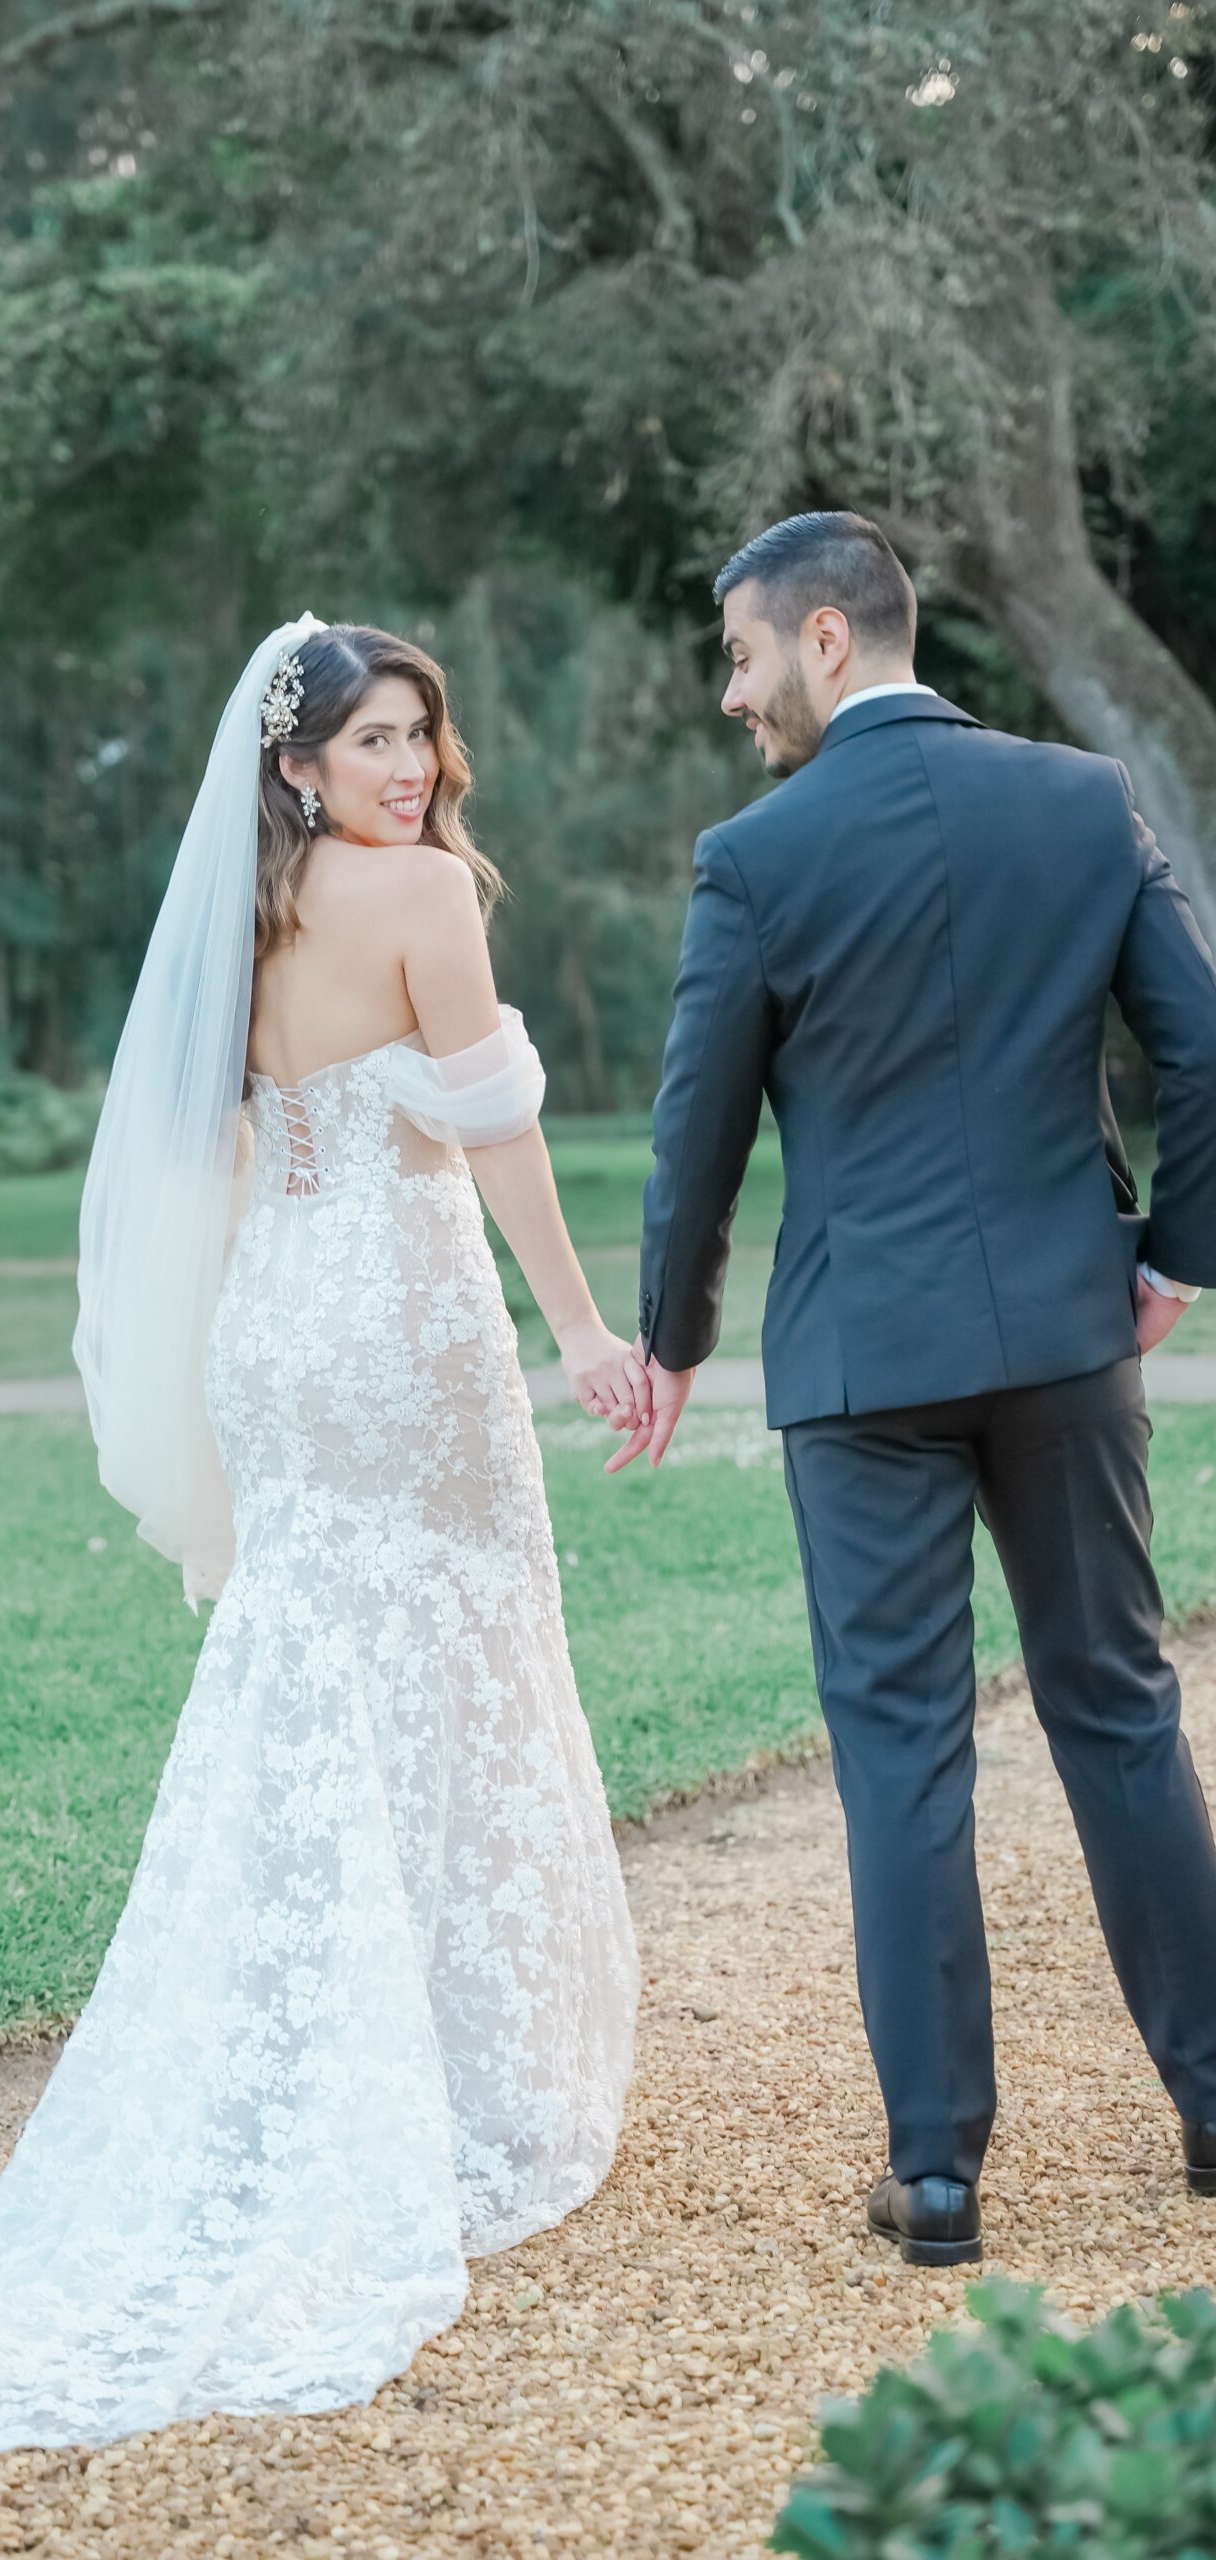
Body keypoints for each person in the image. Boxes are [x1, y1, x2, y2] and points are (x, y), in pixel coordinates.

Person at [0, 615, 641, 2455]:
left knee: (312, 1662)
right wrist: (579, 1330)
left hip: (278, 1327)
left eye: (423, 734)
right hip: (400, 1324)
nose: (409, 766)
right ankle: (457, 2081)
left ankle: (294, 2062)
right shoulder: (421, 903)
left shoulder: (236, 915)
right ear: (299, 760)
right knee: (458, 1649)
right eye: (376, 739)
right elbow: (494, 1142)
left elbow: (220, 1155)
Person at [611, 509, 1216, 2268]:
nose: (732, 696)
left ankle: (937, 2173)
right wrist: (1170, 1256)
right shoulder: (1080, 801)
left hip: (864, 1363)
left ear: (822, 640)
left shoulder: (757, 858)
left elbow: (695, 1135)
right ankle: (1213, 2103)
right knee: (1117, 1707)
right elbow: (1201, 1044)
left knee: (899, 1745)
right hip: (1068, 1337)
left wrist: (674, 1332)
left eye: (737, 654)